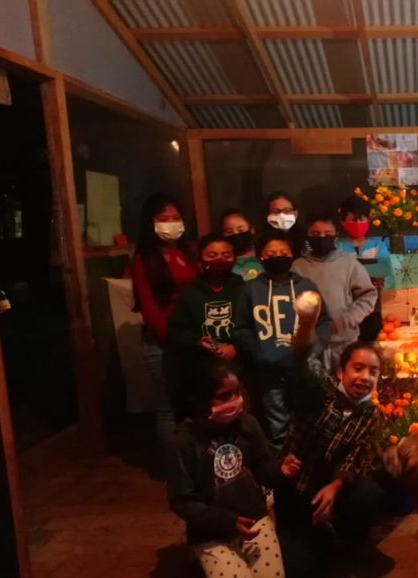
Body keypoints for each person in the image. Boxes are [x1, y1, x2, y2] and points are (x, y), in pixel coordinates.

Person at [277, 301, 386, 578]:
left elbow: (356, 458)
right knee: (303, 569)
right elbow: (303, 359)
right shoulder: (319, 391)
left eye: (373, 372)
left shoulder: (370, 415)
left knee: (369, 493)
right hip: (296, 490)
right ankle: (317, 532)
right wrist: (306, 323)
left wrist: (335, 488)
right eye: (358, 368)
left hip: (329, 488)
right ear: (340, 372)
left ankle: (346, 537)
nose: (365, 377)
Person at [165, 360, 300, 578]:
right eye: (224, 396)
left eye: (238, 392)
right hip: (210, 534)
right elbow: (183, 501)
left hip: (254, 519)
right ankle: (198, 559)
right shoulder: (182, 442)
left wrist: (280, 470)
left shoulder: (247, 423)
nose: (236, 401)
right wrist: (228, 521)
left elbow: (262, 467)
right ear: (198, 399)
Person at [233, 229, 331, 447]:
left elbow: (324, 321)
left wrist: (314, 348)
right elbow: (241, 328)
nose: (277, 256)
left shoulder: (306, 286)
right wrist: (259, 354)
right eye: (271, 253)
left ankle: (308, 461)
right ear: (261, 256)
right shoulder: (251, 289)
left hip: (304, 367)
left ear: (292, 254)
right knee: (277, 424)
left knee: (309, 419)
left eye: (283, 252)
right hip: (269, 371)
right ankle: (283, 462)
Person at [130, 193, 198, 445]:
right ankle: (174, 464)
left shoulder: (189, 253)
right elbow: (149, 308)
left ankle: (194, 458)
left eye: (176, 217)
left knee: (193, 402)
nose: (171, 223)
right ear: (150, 222)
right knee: (169, 408)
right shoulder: (143, 260)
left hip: (192, 338)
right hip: (163, 342)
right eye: (164, 218)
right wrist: (174, 339)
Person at [292, 212, 377, 372]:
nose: (322, 238)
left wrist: (346, 320)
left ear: (336, 235)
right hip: (312, 347)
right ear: (307, 236)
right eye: (315, 234)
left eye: (327, 233)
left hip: (345, 343)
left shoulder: (349, 263)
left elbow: (368, 295)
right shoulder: (297, 267)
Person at [169, 234, 244, 368]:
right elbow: (178, 330)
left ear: (235, 259)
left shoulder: (245, 289)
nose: (219, 259)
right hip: (200, 365)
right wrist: (198, 341)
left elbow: (253, 327)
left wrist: (236, 347)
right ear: (200, 258)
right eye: (212, 255)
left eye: (226, 255)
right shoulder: (190, 292)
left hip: (241, 363)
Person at [337, 196, 391, 342]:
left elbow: (385, 269)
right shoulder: (337, 247)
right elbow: (336, 272)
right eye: (353, 220)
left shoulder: (378, 246)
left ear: (368, 220)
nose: (358, 223)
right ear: (343, 222)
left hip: (372, 309)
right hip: (345, 309)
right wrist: (370, 269)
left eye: (361, 219)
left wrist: (351, 269)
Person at [220, 208, 264, 281]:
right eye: (229, 231)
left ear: (252, 230)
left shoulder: (264, 256)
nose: (235, 233)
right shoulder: (224, 262)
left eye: (241, 230)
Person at [265, 192, 305, 256]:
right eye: (275, 211)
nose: (281, 215)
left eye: (287, 211)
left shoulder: (305, 238)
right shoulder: (260, 240)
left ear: (296, 214)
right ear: (267, 214)